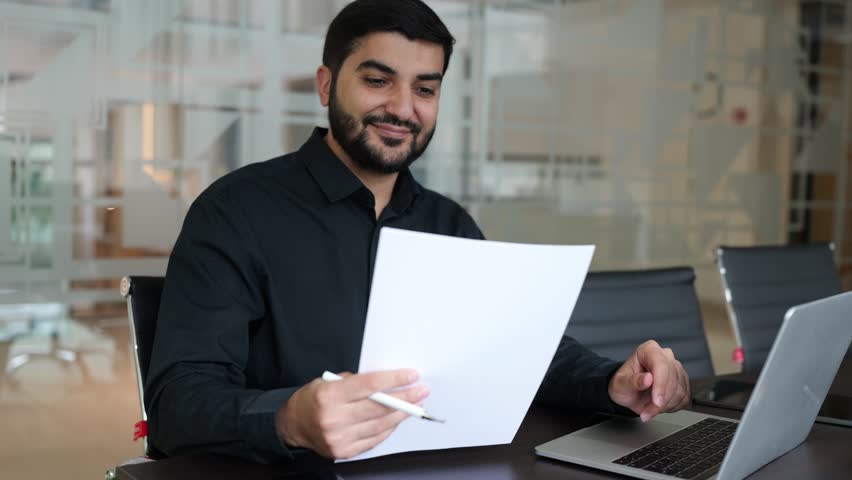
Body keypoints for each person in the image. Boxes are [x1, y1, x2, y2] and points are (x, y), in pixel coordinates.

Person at [145, 0, 690, 464]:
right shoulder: (236, 211)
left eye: (424, 89)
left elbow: (524, 354)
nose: (403, 108)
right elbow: (177, 405)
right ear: (326, 83)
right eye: (378, 80)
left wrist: (613, 382)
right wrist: (289, 420)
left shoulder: (450, 225)